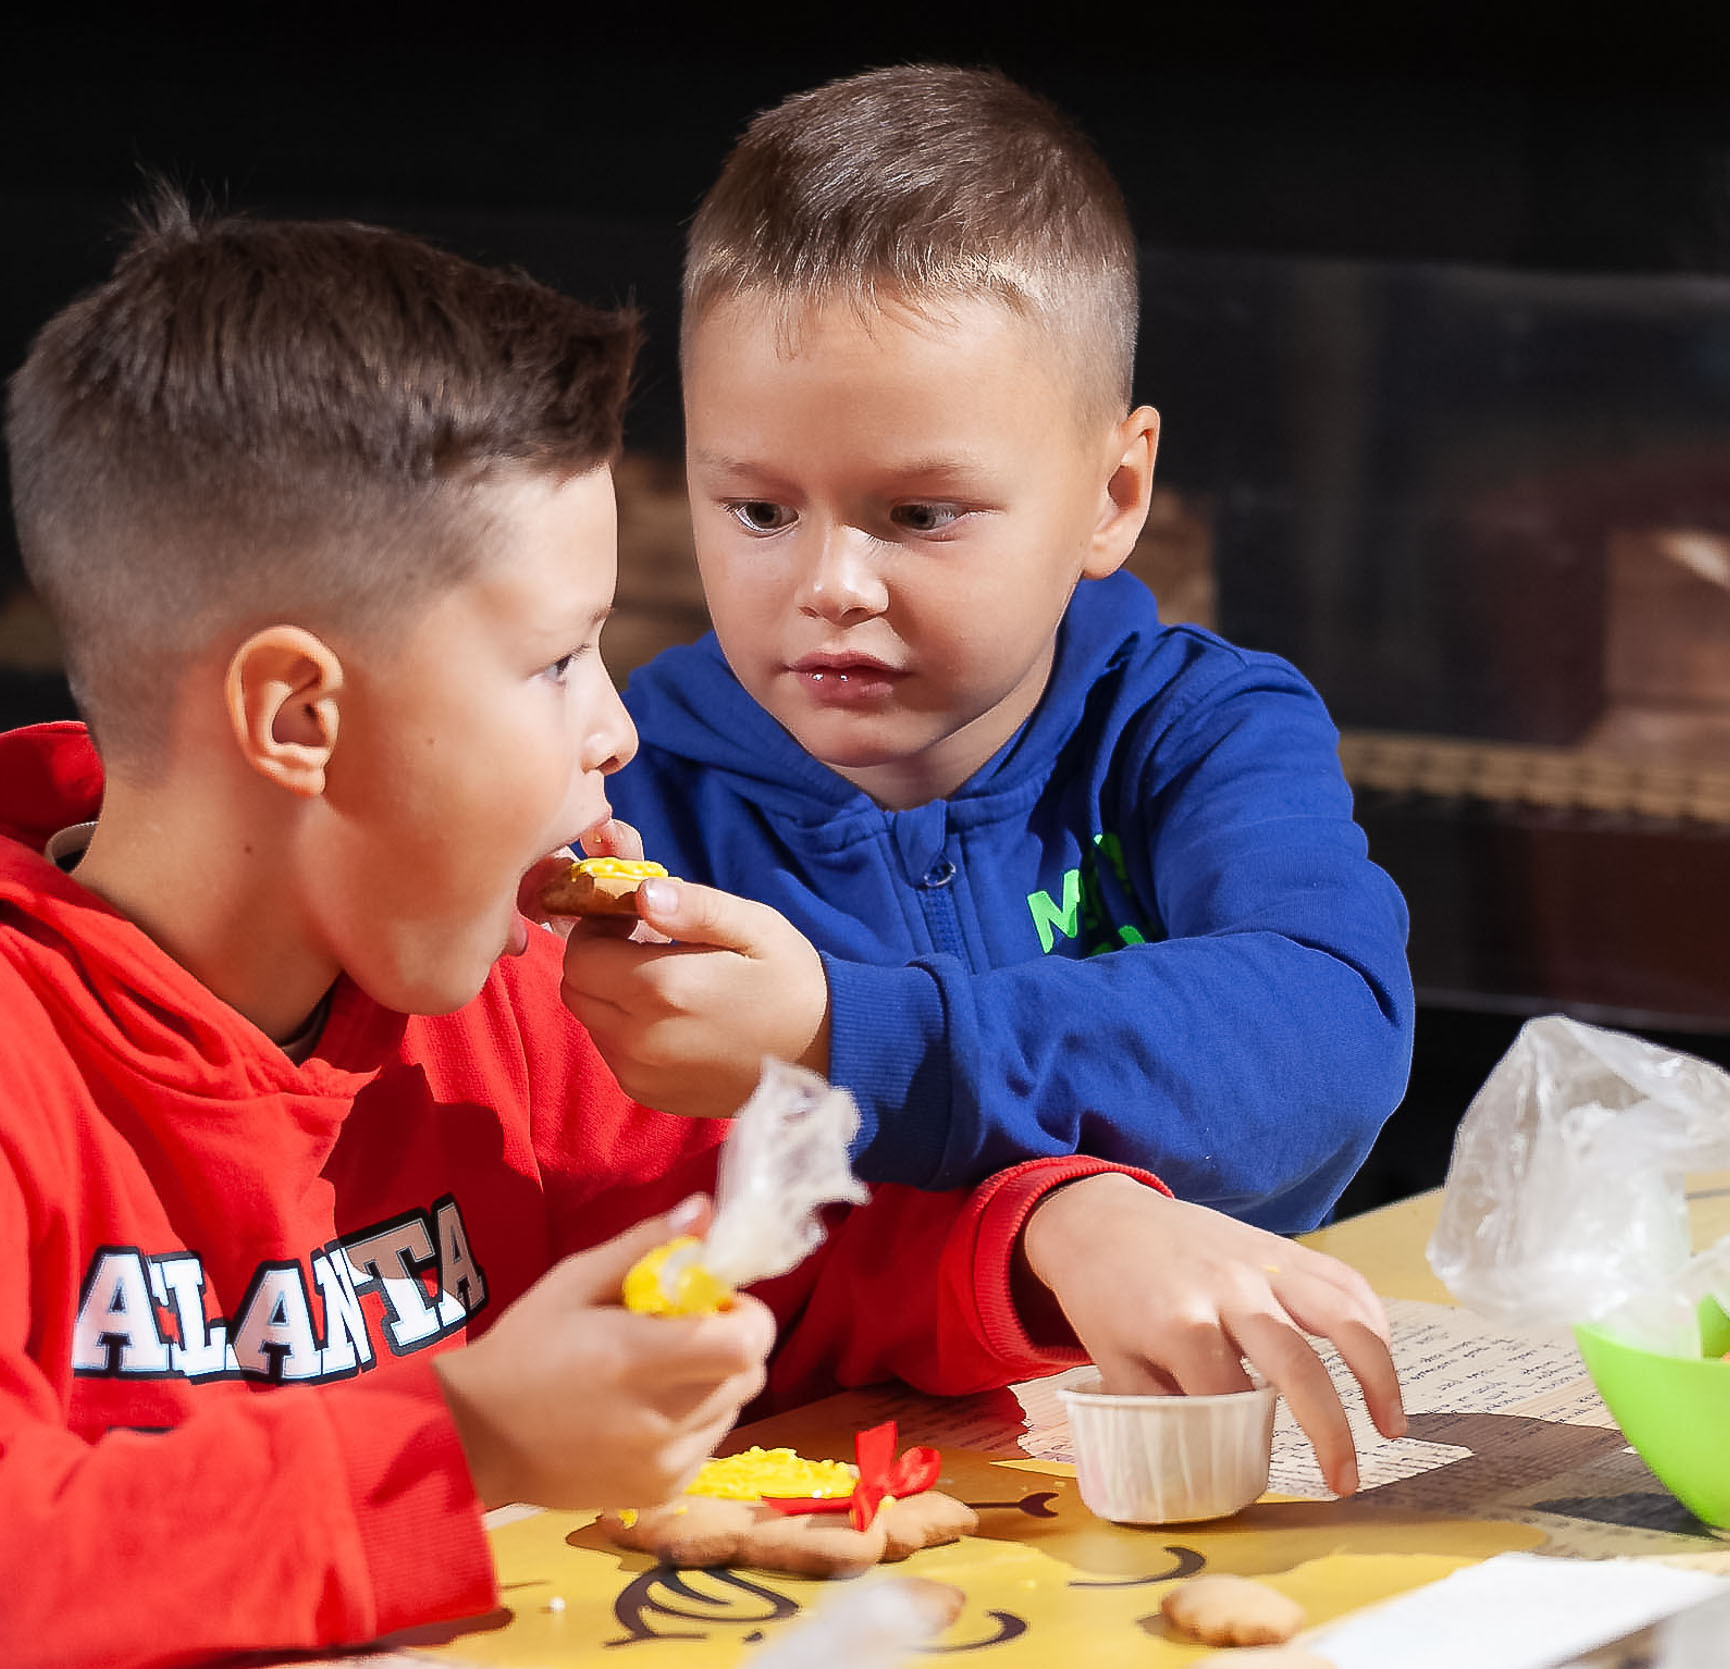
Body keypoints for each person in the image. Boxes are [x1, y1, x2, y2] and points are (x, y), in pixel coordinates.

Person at [0, 198, 1404, 1669]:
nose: (615, 730)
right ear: (298, 716)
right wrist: (471, 1436)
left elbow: (765, 1273)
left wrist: (1050, 1233)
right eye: (551, 660)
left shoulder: (494, 1007)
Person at [569, 66, 1414, 1233]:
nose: (831, 587)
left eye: (920, 515)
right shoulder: (617, 787)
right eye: (760, 511)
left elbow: (1330, 1035)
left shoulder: (1201, 730)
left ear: (1113, 493)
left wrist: (839, 1037)